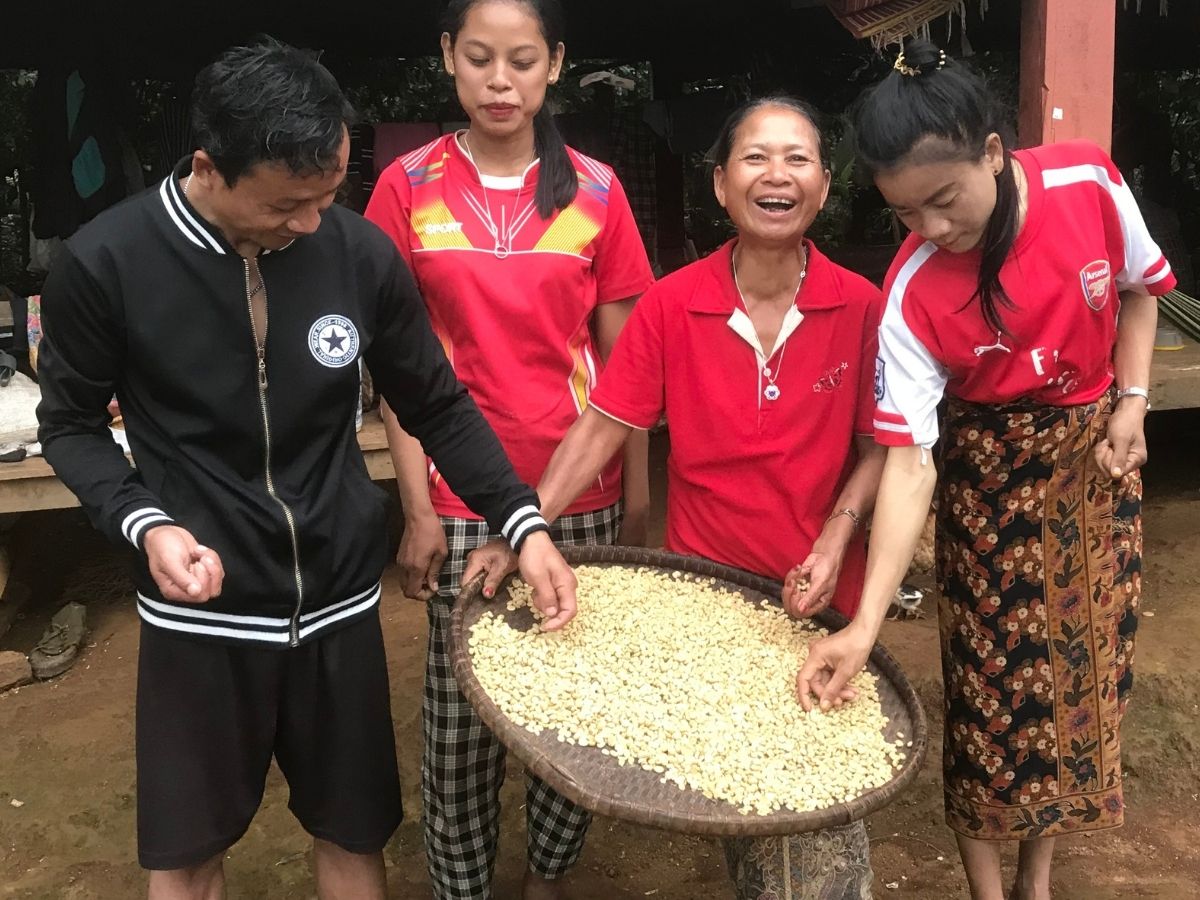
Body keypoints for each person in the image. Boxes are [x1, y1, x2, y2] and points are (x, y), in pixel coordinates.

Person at [34, 38, 577, 900]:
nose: (313, 223)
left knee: (352, 829)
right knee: (185, 854)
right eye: (290, 203)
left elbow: (435, 402)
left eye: (330, 194)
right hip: (202, 617)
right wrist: (147, 522)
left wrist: (522, 520)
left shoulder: (357, 255)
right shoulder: (108, 263)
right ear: (211, 168)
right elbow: (67, 425)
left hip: (337, 605)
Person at [470, 95, 886, 900]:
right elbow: (601, 426)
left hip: (821, 604)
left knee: (818, 830)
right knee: (748, 804)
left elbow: (880, 453)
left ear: (826, 186)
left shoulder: (861, 306)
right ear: (722, 186)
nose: (777, 175)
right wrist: (522, 527)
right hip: (708, 604)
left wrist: (836, 541)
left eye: (797, 158)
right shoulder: (672, 302)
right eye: (755, 158)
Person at [796, 39, 1172, 900]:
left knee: (1081, 684)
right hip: (987, 491)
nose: (931, 228)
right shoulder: (914, 290)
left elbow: (1140, 288)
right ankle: (987, 891)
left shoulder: (1088, 184)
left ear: (993, 154)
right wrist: (865, 623)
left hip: (1092, 473)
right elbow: (909, 463)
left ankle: (1036, 881)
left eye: (944, 199)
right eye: (903, 214)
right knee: (993, 698)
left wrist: (1135, 402)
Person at [362, 2, 654, 898]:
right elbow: (396, 371)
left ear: (555, 65)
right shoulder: (404, 188)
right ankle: (464, 886)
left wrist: (637, 503)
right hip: (456, 502)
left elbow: (629, 372)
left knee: (573, 710)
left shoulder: (598, 192)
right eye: (480, 58)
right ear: (447, 57)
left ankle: (549, 879)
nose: (500, 80)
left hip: (582, 494)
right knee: (460, 725)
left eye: (522, 60)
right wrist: (413, 509)